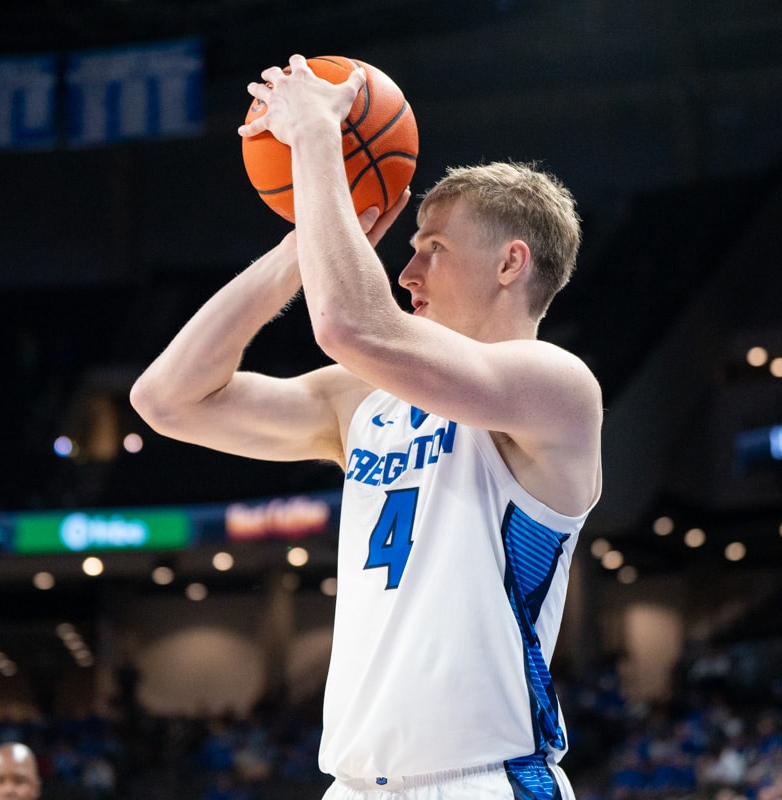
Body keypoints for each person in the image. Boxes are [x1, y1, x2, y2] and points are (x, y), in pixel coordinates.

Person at [130, 54, 603, 800]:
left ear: (512, 263)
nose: (407, 271)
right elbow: (167, 399)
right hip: (355, 785)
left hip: (484, 780)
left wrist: (320, 138)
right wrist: (296, 251)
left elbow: (352, 322)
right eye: (408, 248)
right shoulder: (362, 401)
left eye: (432, 250)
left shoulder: (555, 388)